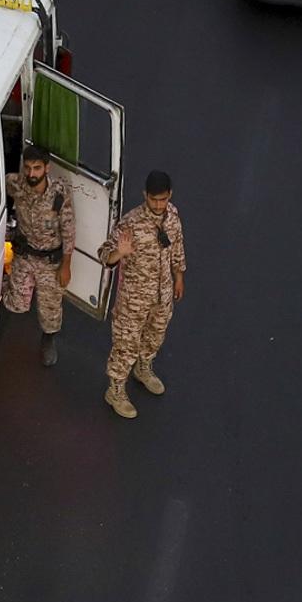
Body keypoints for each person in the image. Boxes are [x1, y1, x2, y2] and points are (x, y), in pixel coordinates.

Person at [97, 170, 186, 418]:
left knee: (155, 336)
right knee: (126, 346)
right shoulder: (130, 223)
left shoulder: (173, 216)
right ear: (145, 195)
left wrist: (179, 277)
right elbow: (104, 254)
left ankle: (143, 368)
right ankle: (115, 391)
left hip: (162, 295)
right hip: (133, 300)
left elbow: (177, 247)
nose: (158, 205)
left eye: (163, 199)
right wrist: (120, 253)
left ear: (170, 195)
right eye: (153, 199)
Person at [3, 145, 75, 366]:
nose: (31, 173)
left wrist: (66, 266)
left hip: (49, 261)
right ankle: (4, 281)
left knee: (50, 311)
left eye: (37, 168)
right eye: (27, 168)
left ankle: (48, 340)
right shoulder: (16, 184)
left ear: (47, 168)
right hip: (25, 256)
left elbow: (69, 231)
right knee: (16, 304)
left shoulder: (59, 195)